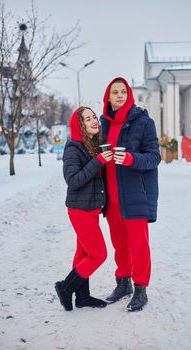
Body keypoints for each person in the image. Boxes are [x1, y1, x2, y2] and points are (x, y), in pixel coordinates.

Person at [100, 77, 161, 312]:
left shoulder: (144, 122)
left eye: (123, 91)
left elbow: (154, 157)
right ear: (108, 96)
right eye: (114, 92)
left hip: (135, 194)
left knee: (139, 245)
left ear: (129, 95)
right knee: (120, 244)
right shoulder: (103, 124)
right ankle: (122, 283)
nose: (119, 95)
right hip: (111, 197)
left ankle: (141, 289)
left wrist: (131, 158)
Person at [55, 106, 113, 311]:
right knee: (98, 254)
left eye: (94, 117)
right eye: (87, 119)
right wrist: (98, 162)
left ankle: (83, 297)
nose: (93, 121)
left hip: (91, 210)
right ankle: (65, 288)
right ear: (79, 126)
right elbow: (73, 180)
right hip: (80, 212)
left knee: (83, 254)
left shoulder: (92, 145)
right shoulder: (73, 148)